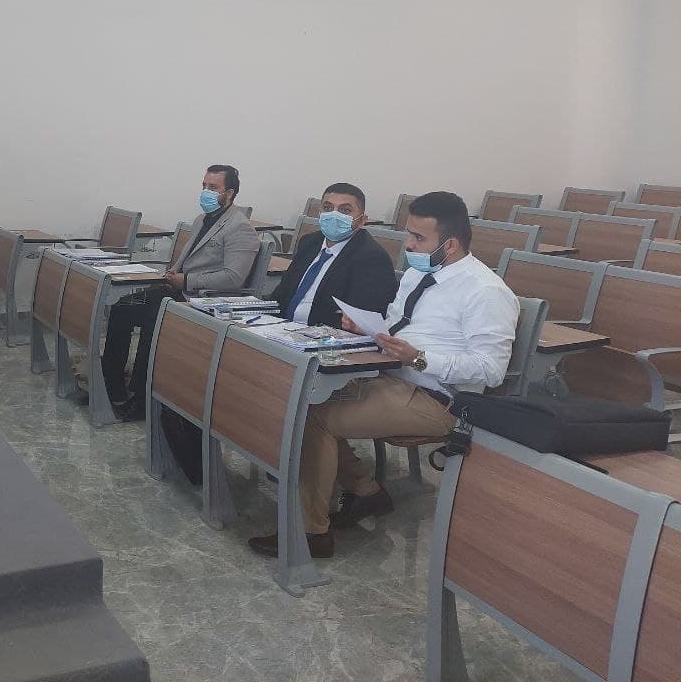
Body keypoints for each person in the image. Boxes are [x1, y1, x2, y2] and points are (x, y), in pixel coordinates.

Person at [248, 191, 519, 560]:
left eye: (418, 238)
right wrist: (365, 328)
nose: (408, 245)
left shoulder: (486, 291)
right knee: (299, 399)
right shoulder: (418, 273)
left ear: (451, 244)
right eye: (409, 234)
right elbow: (396, 324)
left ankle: (311, 534)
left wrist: (419, 358)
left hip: (439, 400)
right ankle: (366, 492)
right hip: (391, 375)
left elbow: (491, 369)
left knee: (316, 417)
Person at [100, 164, 259, 426]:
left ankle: (142, 398)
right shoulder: (201, 220)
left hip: (202, 299)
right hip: (178, 290)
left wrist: (186, 280)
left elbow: (233, 278)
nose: (206, 192)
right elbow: (189, 258)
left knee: (154, 318)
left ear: (229, 193)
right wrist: (175, 270)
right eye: (204, 186)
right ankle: (111, 384)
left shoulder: (239, 228)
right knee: (122, 307)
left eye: (213, 187)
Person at [271, 182, 397, 329]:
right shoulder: (309, 242)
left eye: (345, 210)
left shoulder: (372, 259)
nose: (334, 215)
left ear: (362, 220)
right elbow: (281, 294)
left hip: (322, 336)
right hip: (280, 328)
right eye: (327, 208)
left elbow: (361, 320)